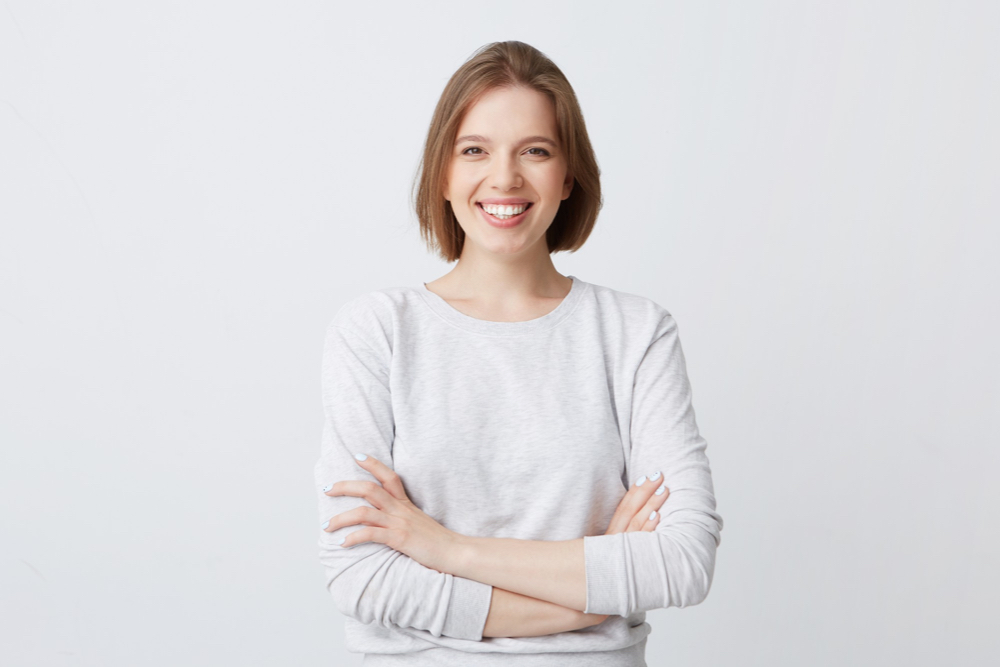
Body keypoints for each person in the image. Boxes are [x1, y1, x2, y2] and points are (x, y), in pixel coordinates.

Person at [315, 40, 723, 666]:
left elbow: (682, 561)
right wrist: (592, 594)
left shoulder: (636, 333)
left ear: (568, 177)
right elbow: (363, 578)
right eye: (474, 150)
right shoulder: (377, 332)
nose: (504, 177)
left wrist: (447, 549)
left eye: (535, 150)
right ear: (443, 173)